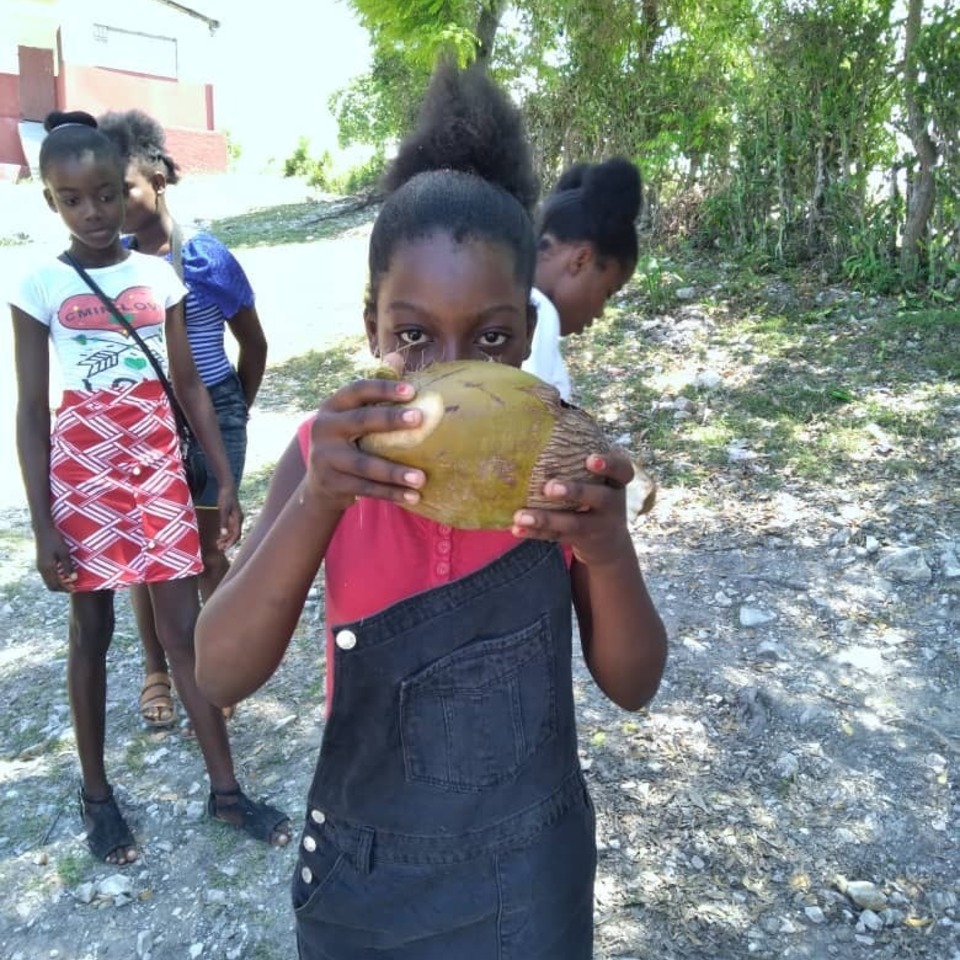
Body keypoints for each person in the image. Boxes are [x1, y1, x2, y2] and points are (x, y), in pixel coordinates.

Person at [195, 64, 666, 958]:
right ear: (372, 325)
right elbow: (219, 673)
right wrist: (319, 502)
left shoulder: (559, 472)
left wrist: (609, 551)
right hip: (366, 886)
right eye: (415, 336)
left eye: (490, 339)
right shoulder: (323, 457)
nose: (449, 374)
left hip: (533, 884)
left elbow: (635, 684)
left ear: (529, 337)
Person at [9, 110, 290, 865]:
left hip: (159, 465)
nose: (95, 211)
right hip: (85, 475)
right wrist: (44, 526)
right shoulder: (37, 285)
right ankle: (97, 797)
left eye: (106, 193)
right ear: (52, 203)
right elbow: (32, 412)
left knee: (181, 631)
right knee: (90, 634)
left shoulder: (156, 276)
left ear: (124, 190)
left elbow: (192, 384)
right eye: (74, 199)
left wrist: (225, 479)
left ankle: (226, 792)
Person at [98, 109, 268, 730]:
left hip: (215, 411)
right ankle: (157, 669)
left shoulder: (206, 258)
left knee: (206, 549)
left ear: (158, 181)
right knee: (152, 555)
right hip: (145, 422)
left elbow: (255, 345)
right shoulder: (109, 268)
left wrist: (232, 420)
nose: (111, 206)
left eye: (123, 190)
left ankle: (215, 662)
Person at [523, 158, 643, 401]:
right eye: (608, 293)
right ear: (581, 260)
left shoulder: (501, 295)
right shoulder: (537, 314)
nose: (600, 313)